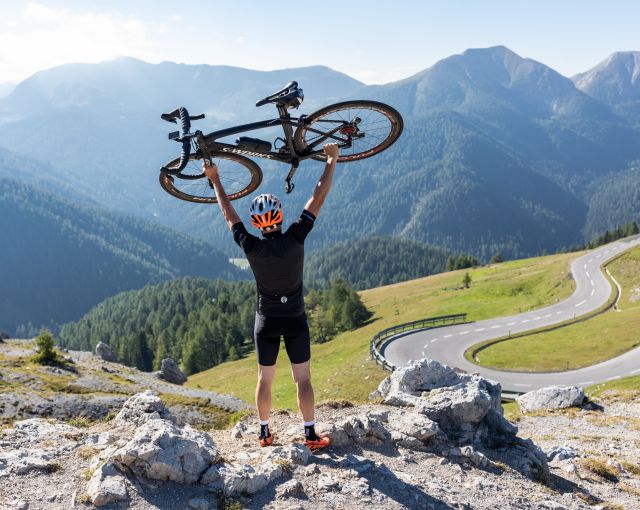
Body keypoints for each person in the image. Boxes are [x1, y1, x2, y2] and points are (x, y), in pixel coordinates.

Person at [203, 143, 340, 451]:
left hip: (265, 321)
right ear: (279, 216)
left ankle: (264, 434)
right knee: (302, 380)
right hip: (295, 320)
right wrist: (331, 159)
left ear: (256, 224)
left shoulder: (251, 246)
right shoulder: (295, 237)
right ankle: (310, 436)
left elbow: (228, 214)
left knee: (265, 380)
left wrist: (215, 179)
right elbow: (319, 196)